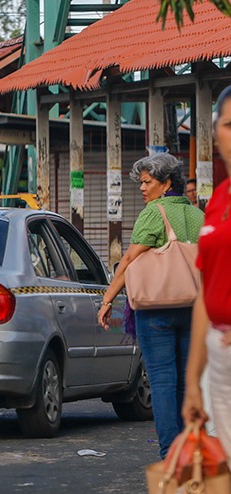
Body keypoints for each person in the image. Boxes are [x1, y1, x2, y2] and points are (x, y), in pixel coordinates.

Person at [97, 153, 204, 458]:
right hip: (193, 307)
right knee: (186, 380)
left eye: (147, 182)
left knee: (162, 381)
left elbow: (129, 259)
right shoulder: (198, 215)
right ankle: (189, 448)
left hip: (155, 310)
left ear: (166, 183)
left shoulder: (154, 213)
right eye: (140, 182)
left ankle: (171, 453)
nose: (142, 188)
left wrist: (108, 300)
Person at [182, 84, 231, 458]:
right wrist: (193, 381)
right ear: (215, 133)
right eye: (230, 124)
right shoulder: (218, 200)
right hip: (219, 356)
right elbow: (205, 293)